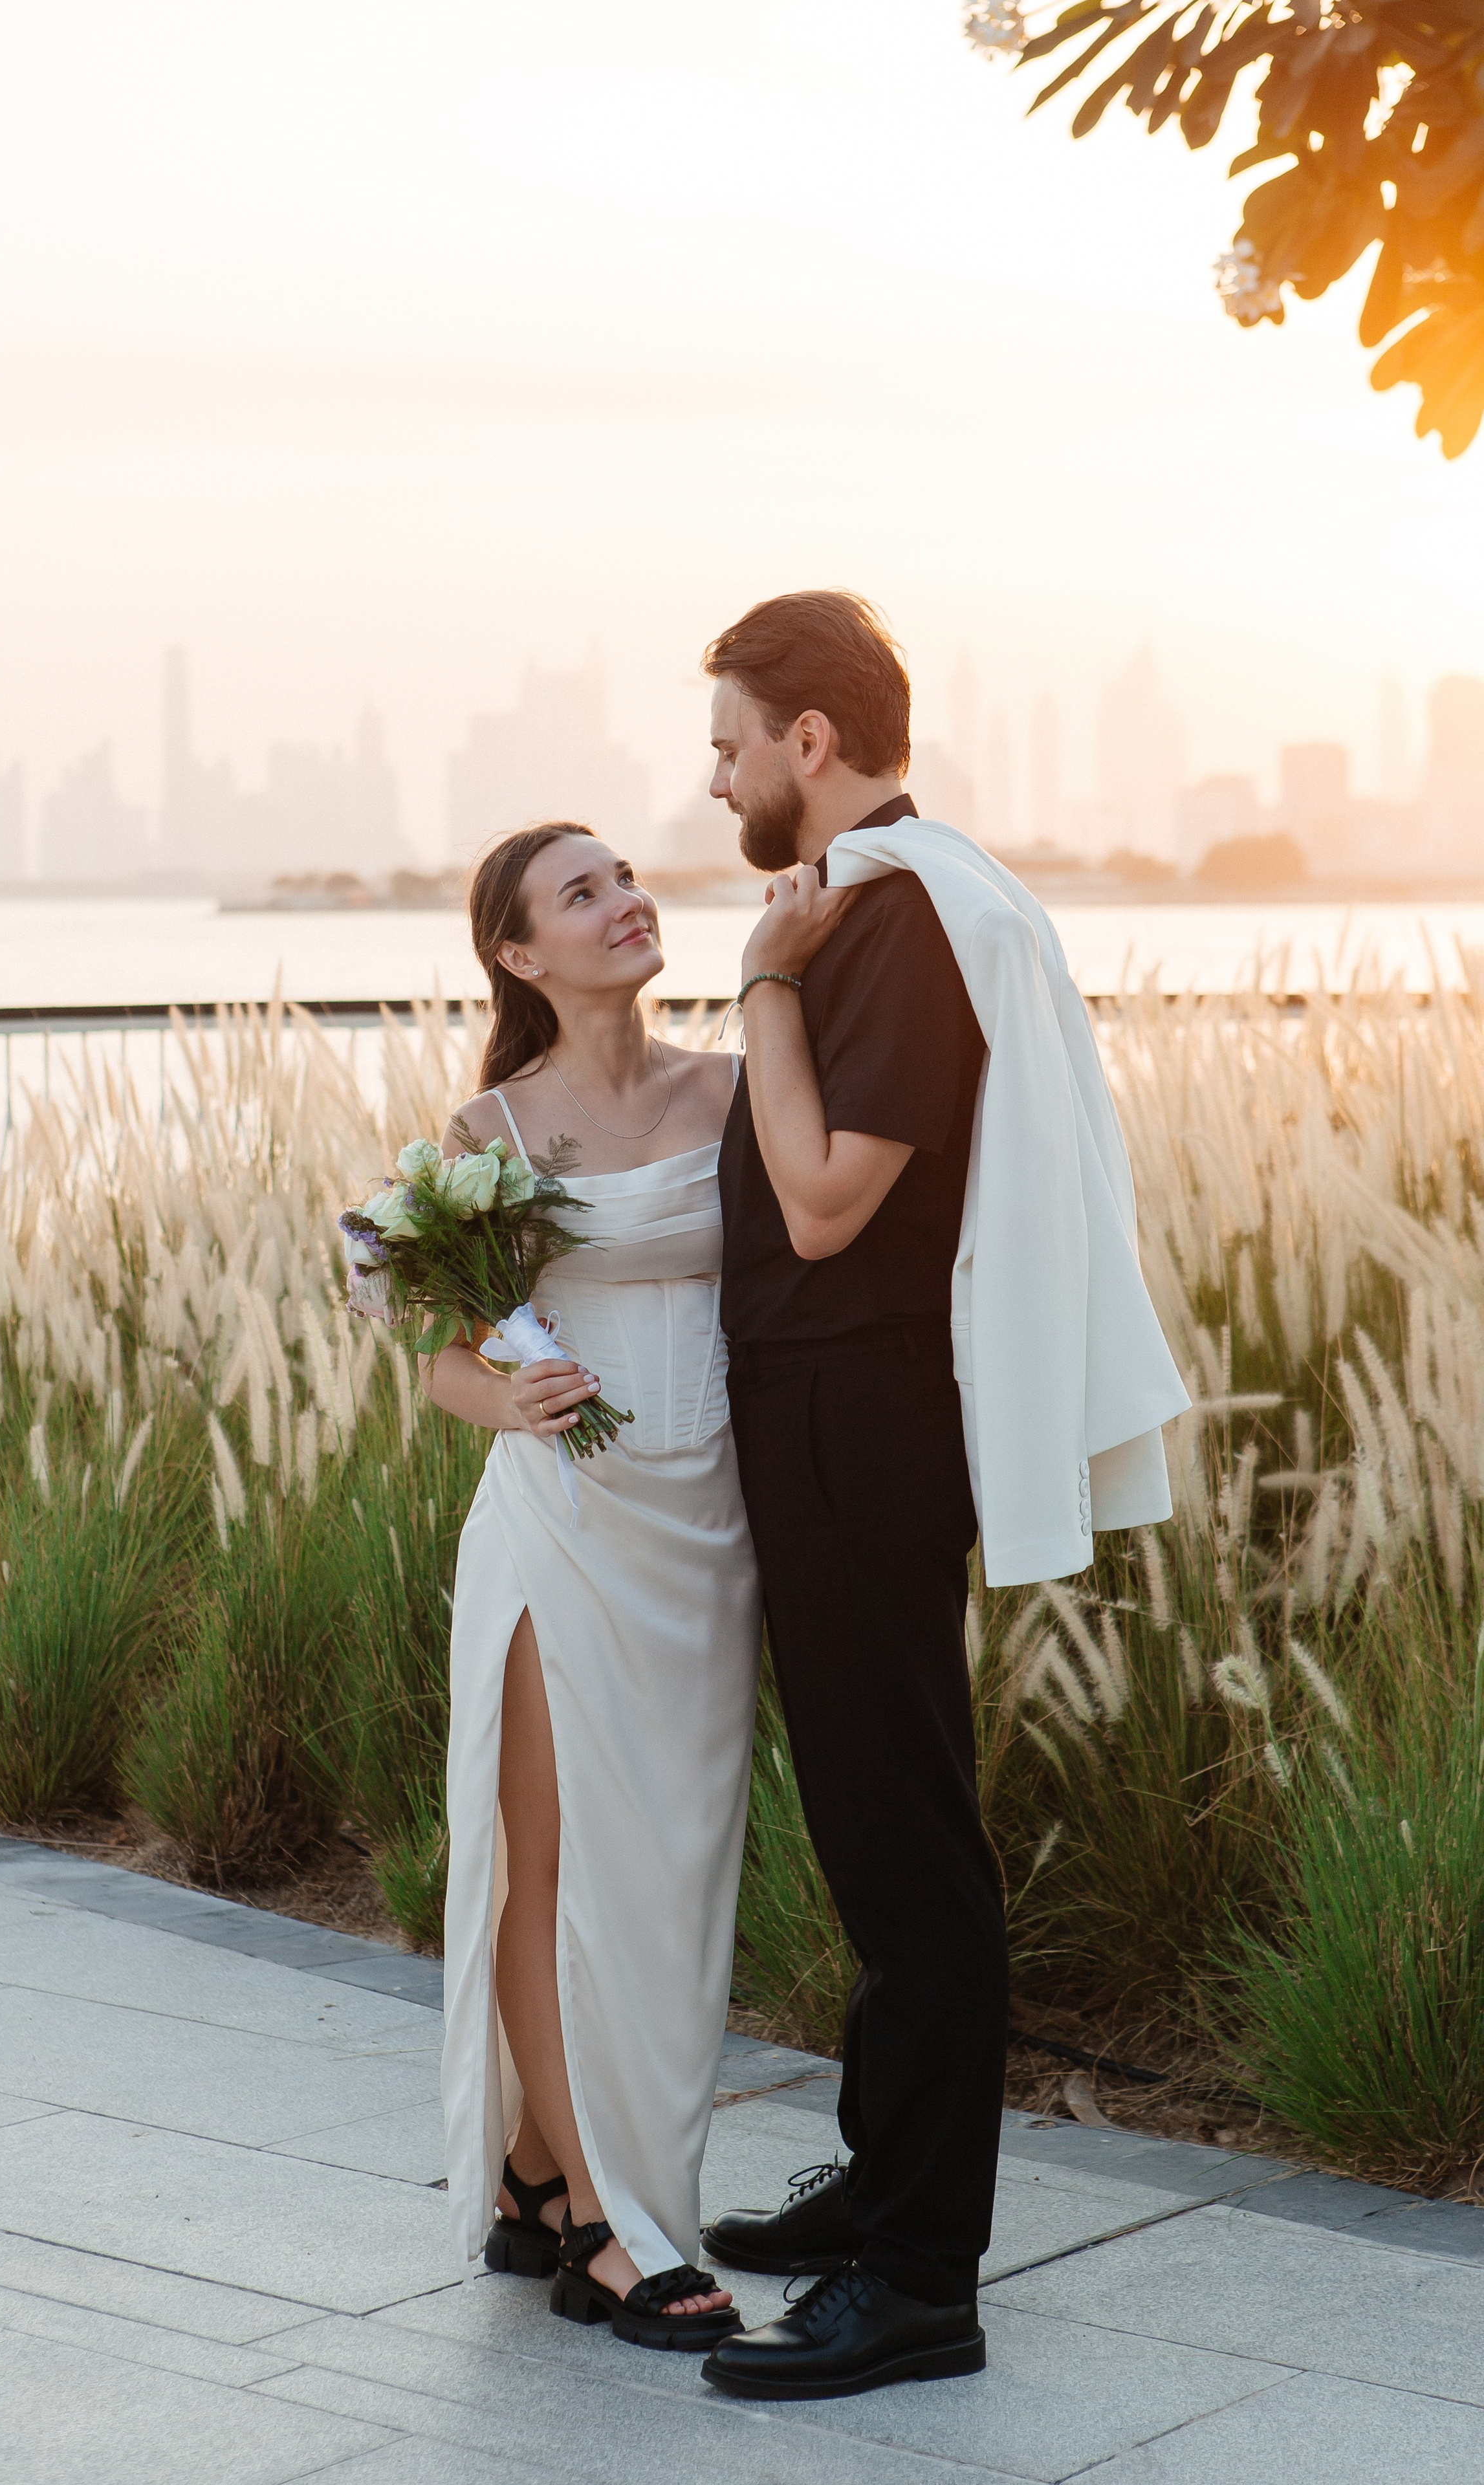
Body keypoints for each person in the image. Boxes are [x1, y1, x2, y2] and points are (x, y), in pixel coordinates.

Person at [695, 590, 1186, 2402]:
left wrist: (762, 984)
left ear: (810, 740)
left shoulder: (894, 920)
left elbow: (827, 1202)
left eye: (731, 744)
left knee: (906, 1843)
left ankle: (917, 2280)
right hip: (825, 1412)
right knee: (872, 1821)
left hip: (861, 1419)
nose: (717, 779)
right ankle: (881, 2177)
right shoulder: (878, 900)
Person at [355, 821, 759, 2353]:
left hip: (704, 1524)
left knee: (671, 1865)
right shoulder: (492, 1130)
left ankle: (536, 2169)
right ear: (518, 954)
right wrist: (505, 1398)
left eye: (626, 877)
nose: (625, 901)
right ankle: (606, 2221)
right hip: (560, 1525)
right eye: (581, 893)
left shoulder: (730, 1090)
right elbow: (441, 1357)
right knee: (556, 1856)